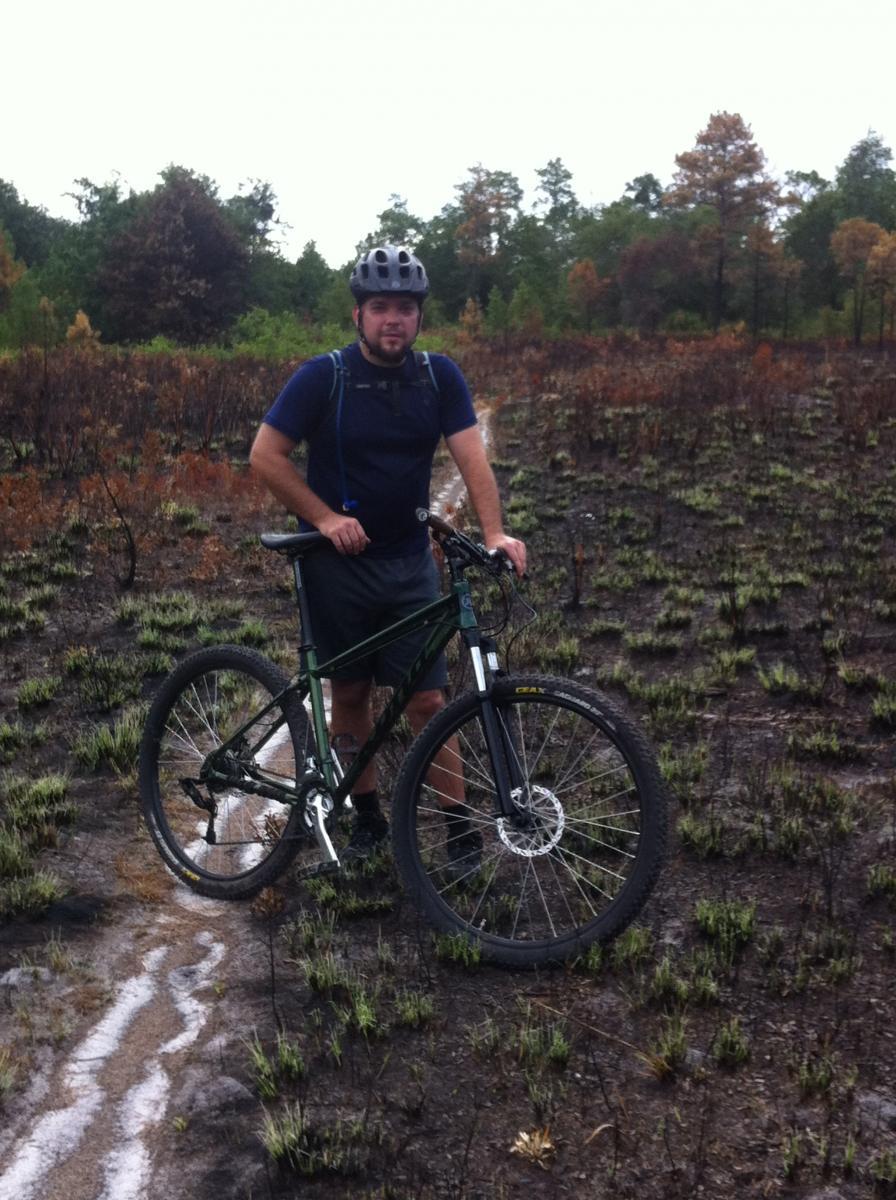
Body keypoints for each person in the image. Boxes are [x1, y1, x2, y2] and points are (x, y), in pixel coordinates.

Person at [249, 245, 526, 866]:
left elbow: (470, 456)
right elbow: (265, 455)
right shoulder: (325, 376)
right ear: (358, 315)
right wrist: (323, 517)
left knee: (427, 699)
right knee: (349, 694)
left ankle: (458, 829)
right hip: (335, 564)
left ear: (419, 317)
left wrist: (494, 534)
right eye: (380, 308)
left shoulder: (438, 376)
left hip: (407, 560)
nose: (392, 319)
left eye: (404, 308)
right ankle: (367, 819)